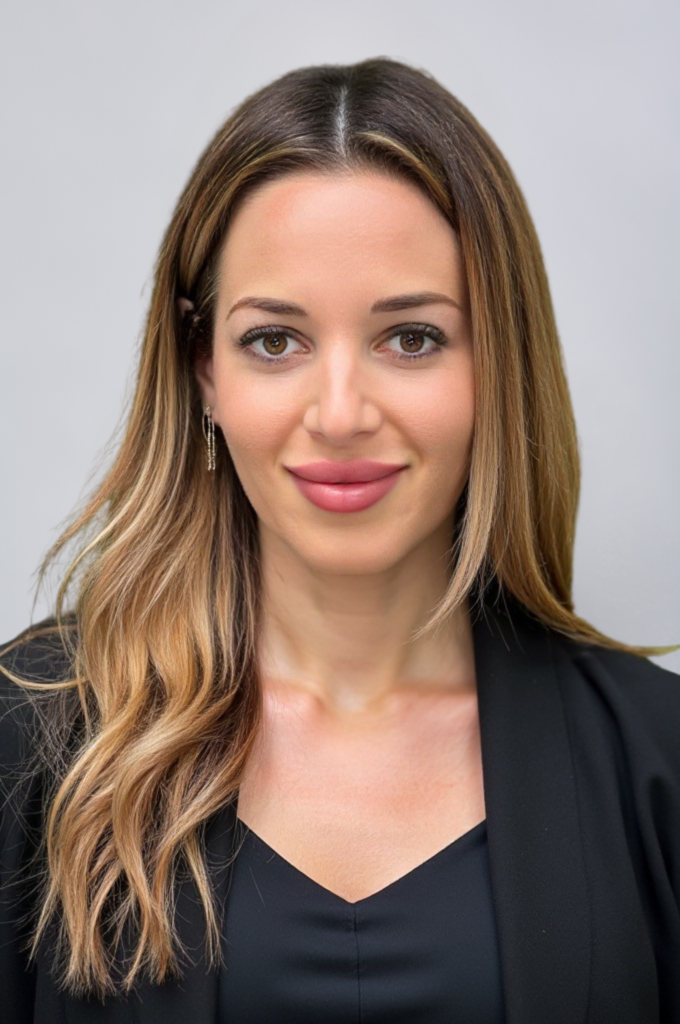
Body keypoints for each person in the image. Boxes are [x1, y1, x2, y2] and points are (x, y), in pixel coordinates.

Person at [1, 56, 679, 1024]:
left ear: (499, 358)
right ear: (203, 369)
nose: (340, 413)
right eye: (274, 341)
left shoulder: (657, 757)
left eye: (412, 337)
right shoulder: (33, 736)